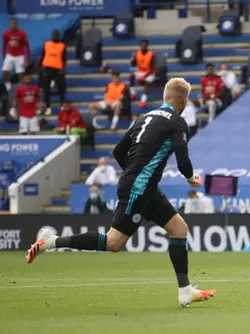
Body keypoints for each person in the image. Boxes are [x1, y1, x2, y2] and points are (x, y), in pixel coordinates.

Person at [26, 78, 215, 308]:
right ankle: (51, 241)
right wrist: (190, 177)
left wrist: (137, 175)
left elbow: (118, 151)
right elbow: (183, 161)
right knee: (114, 242)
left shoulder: (144, 118)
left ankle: (185, 291)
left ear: (165, 97)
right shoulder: (177, 122)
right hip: (140, 187)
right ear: (184, 101)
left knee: (179, 229)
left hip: (144, 186)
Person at [39, 29, 67, 116]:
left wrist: (63, 69)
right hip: (47, 69)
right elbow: (43, 56)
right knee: (46, 89)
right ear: (52, 35)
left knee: (61, 89)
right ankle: (48, 107)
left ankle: (62, 106)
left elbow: (64, 59)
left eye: (57, 34)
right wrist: (41, 66)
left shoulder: (62, 45)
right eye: (54, 34)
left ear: (59, 35)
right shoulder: (47, 44)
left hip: (58, 70)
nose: (55, 36)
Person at [2, 18, 30, 92]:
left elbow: (27, 47)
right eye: (11, 23)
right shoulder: (6, 33)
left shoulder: (22, 33)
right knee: (4, 72)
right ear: (9, 24)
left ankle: (21, 89)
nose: (13, 24)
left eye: (14, 23)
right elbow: (4, 45)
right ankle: (9, 88)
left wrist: (27, 59)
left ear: (17, 24)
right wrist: (4, 57)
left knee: (20, 75)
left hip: (20, 55)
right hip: (10, 55)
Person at [129, 40, 156, 108]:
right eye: (142, 45)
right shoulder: (137, 53)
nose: (143, 46)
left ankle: (143, 101)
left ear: (147, 46)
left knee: (147, 82)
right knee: (131, 76)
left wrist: (145, 76)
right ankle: (133, 94)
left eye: (145, 45)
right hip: (140, 72)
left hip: (150, 73)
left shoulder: (151, 54)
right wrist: (132, 58)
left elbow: (153, 69)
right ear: (140, 46)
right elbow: (133, 64)